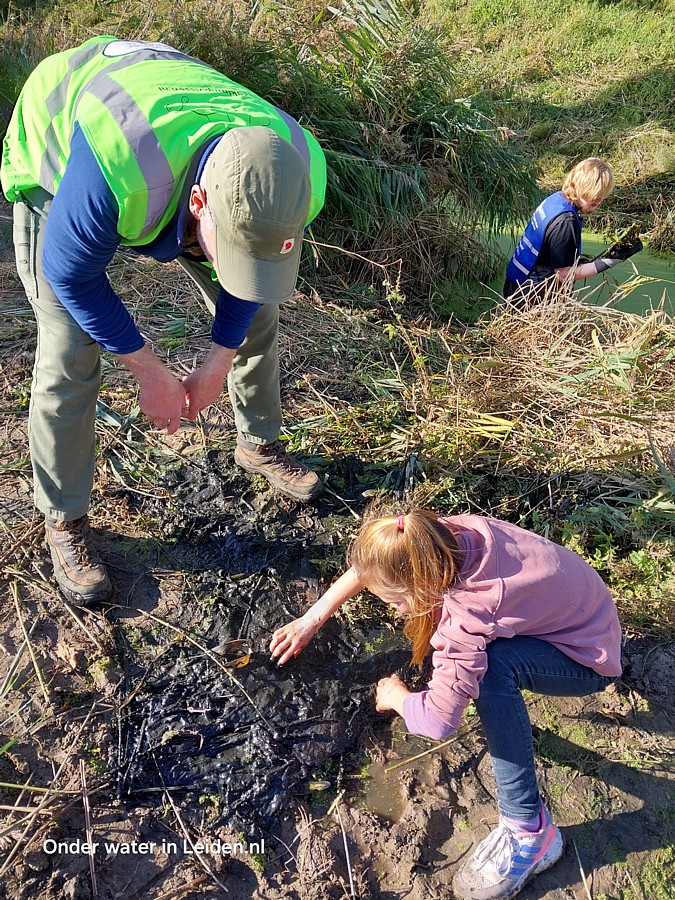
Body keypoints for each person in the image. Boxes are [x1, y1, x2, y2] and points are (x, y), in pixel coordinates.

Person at [1, 37, 327, 606]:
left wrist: (217, 359)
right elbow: (72, 275)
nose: (231, 267)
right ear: (197, 203)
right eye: (227, 247)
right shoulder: (120, 164)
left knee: (258, 309)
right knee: (71, 345)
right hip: (61, 139)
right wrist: (150, 372)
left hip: (174, 137)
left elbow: (254, 274)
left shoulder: (299, 169)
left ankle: (258, 443)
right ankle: (64, 518)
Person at [270, 509, 622, 900]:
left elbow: (438, 723)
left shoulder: (468, 617)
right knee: (481, 661)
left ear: (419, 587)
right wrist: (310, 619)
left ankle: (529, 832)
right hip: (586, 612)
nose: (395, 611)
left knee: (491, 672)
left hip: (588, 657)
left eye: (395, 603)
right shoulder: (439, 534)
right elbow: (373, 564)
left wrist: (398, 698)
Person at [503, 157, 642, 305]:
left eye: (603, 194)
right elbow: (563, 275)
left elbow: (549, 250)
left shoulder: (557, 199)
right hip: (530, 295)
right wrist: (611, 261)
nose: (598, 199)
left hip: (515, 282)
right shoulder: (566, 222)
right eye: (592, 193)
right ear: (579, 186)